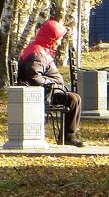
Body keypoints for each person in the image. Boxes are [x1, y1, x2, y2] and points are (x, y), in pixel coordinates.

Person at [17, 18, 84, 147]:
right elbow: (34, 77)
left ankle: (70, 134)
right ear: (51, 38)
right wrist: (54, 83)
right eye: (58, 39)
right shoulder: (37, 54)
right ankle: (68, 136)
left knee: (75, 98)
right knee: (73, 99)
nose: (59, 43)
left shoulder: (39, 50)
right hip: (46, 93)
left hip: (50, 91)